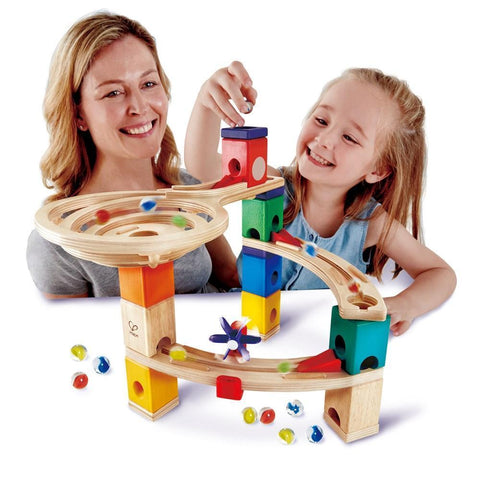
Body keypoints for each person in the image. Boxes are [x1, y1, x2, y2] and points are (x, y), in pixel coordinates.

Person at [184, 61, 456, 336]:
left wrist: (407, 304)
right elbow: (202, 166)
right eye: (321, 120)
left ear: (378, 169)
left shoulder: (371, 223)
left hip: (304, 340)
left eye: (349, 137)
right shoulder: (272, 184)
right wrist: (207, 105)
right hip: (237, 325)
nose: (323, 139)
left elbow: (440, 273)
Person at [27, 12, 239, 299]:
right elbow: (75, 341)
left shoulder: (186, 189)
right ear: (78, 114)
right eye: (114, 93)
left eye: (149, 84)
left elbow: (231, 277)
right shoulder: (55, 242)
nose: (139, 107)